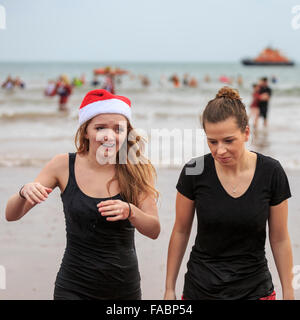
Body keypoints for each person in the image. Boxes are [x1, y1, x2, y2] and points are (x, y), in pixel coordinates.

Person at [5, 89, 160, 300]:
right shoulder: (62, 165)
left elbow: (153, 230)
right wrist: (24, 191)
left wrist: (130, 211)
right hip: (73, 286)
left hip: (123, 288)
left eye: (118, 129)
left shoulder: (137, 169)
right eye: (100, 127)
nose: (109, 135)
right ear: (85, 131)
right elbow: (11, 215)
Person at [164, 87, 294, 300]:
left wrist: (288, 292)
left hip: (255, 290)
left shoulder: (271, 172)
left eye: (228, 140)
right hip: (200, 290)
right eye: (212, 141)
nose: (219, 150)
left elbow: (279, 238)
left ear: (246, 133)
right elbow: (180, 231)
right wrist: (169, 288)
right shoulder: (194, 171)